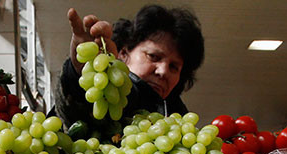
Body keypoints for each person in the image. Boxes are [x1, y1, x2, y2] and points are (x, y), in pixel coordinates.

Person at [54, 5, 204, 132]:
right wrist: (77, 77)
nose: (163, 71)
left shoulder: (179, 122)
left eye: (174, 67)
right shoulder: (111, 99)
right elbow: (75, 117)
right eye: (153, 56)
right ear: (124, 53)